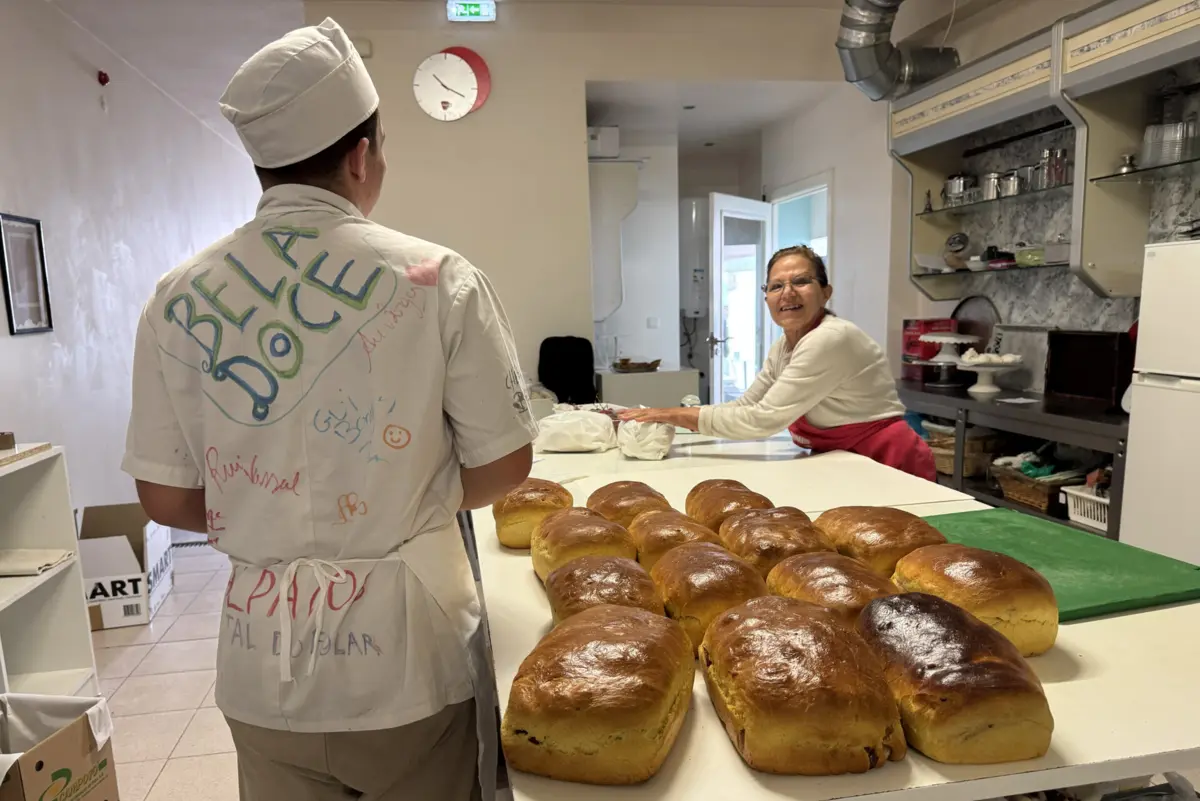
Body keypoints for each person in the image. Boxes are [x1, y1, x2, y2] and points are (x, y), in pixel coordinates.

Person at [121, 18, 536, 800]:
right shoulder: (440, 278)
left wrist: (263, 509)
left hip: (259, 658)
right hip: (407, 658)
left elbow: (166, 496)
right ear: (361, 154)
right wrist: (408, 499)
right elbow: (507, 463)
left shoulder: (176, 298)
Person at [621, 245, 934, 480]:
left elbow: (763, 419)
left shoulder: (830, 338)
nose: (787, 293)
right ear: (766, 296)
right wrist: (675, 418)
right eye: (775, 286)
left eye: (801, 281)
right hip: (844, 457)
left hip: (886, 459)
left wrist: (672, 414)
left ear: (825, 293)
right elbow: (746, 405)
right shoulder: (785, 345)